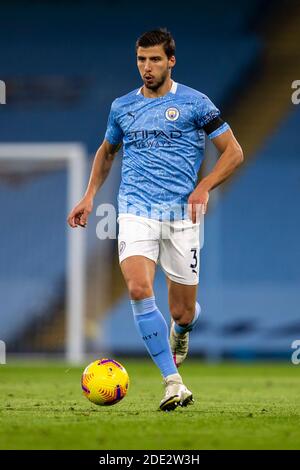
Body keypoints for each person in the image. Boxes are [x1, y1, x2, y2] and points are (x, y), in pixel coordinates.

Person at [68, 28, 243, 411]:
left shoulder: (196, 103)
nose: (147, 67)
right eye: (141, 59)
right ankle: (173, 382)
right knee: (137, 288)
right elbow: (107, 151)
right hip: (135, 211)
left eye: (155, 59)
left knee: (181, 311)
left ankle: (183, 327)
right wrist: (89, 195)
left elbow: (233, 152)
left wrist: (205, 187)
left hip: (182, 217)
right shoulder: (122, 107)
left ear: (171, 61)